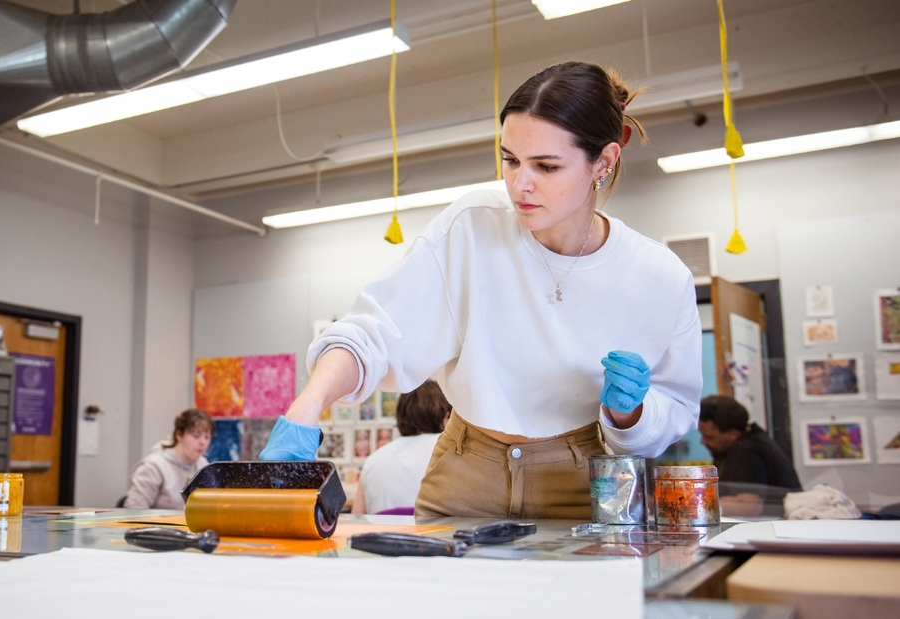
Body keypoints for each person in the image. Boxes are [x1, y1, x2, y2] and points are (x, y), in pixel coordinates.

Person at [260, 61, 701, 519]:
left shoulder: (658, 277)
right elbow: (377, 331)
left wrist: (631, 414)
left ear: (604, 162)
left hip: (579, 482)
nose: (519, 184)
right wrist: (307, 407)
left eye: (546, 166)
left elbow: (676, 411)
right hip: (464, 470)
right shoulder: (471, 226)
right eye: (510, 159)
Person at [353, 380, 452, 514]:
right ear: (446, 418)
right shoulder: (449, 453)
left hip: (385, 534)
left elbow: (357, 522)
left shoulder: (373, 461)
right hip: (437, 534)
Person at [698, 395, 801, 489]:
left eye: (709, 437)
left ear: (733, 434)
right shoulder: (751, 440)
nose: (702, 442)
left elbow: (748, 504)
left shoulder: (746, 451)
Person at [123, 409, 213, 510]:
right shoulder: (154, 466)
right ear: (179, 435)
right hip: (157, 525)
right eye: (196, 436)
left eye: (207, 437)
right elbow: (134, 509)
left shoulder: (204, 466)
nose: (203, 442)